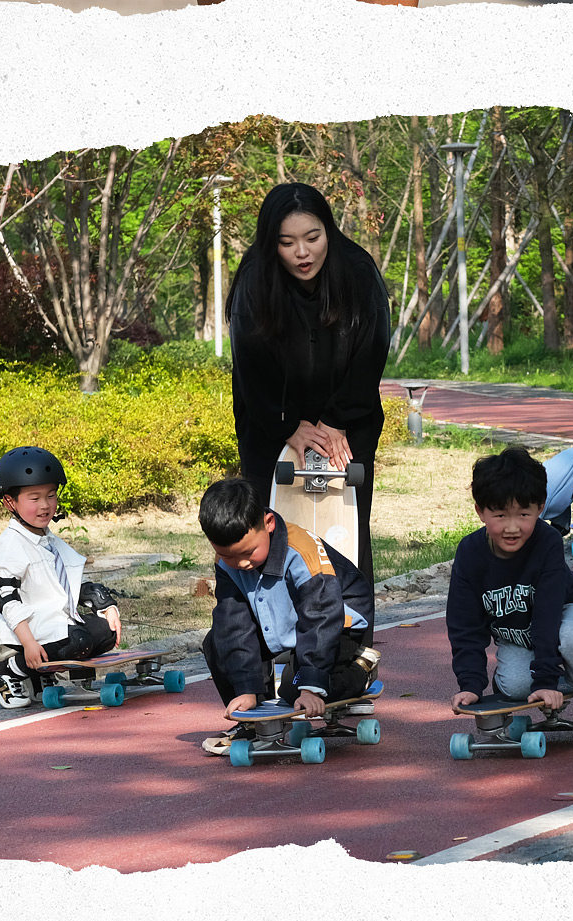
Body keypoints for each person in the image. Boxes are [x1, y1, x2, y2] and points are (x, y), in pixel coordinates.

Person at [225, 182, 391, 586]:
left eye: (313, 238)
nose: (303, 253)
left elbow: (372, 351)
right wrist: (286, 426)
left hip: (346, 422)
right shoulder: (254, 279)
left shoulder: (357, 271)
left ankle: (350, 620)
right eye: (287, 243)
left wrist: (336, 420)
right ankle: (275, 618)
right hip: (271, 422)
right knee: (271, 531)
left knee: (344, 533)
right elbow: (249, 366)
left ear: (328, 231)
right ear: (272, 243)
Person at [447, 447, 573, 748]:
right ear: (480, 511)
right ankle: (569, 674)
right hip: (519, 633)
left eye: (523, 514)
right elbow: (464, 626)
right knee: (516, 687)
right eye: (500, 515)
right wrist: (471, 685)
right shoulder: (469, 553)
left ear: (540, 508)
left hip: (564, 612)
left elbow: (548, 612)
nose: (512, 527)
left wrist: (545, 680)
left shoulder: (547, 541)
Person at [197, 478, 380, 754]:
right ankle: (253, 724)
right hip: (282, 618)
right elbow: (234, 624)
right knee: (217, 642)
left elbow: (321, 618)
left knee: (295, 690)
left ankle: (360, 669)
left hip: (336, 621)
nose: (241, 564)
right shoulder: (227, 562)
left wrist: (311, 687)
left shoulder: (301, 551)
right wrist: (245, 689)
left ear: (268, 523)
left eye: (248, 553)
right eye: (228, 556)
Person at [0, 446, 122, 709]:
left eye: (51, 495)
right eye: (34, 498)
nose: (45, 505)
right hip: (18, 632)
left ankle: (39, 673)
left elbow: (68, 584)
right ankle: (6, 671)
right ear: (10, 502)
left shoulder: (47, 540)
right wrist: (28, 643)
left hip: (48, 624)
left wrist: (104, 605)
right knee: (77, 640)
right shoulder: (11, 546)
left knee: (106, 632)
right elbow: (6, 598)